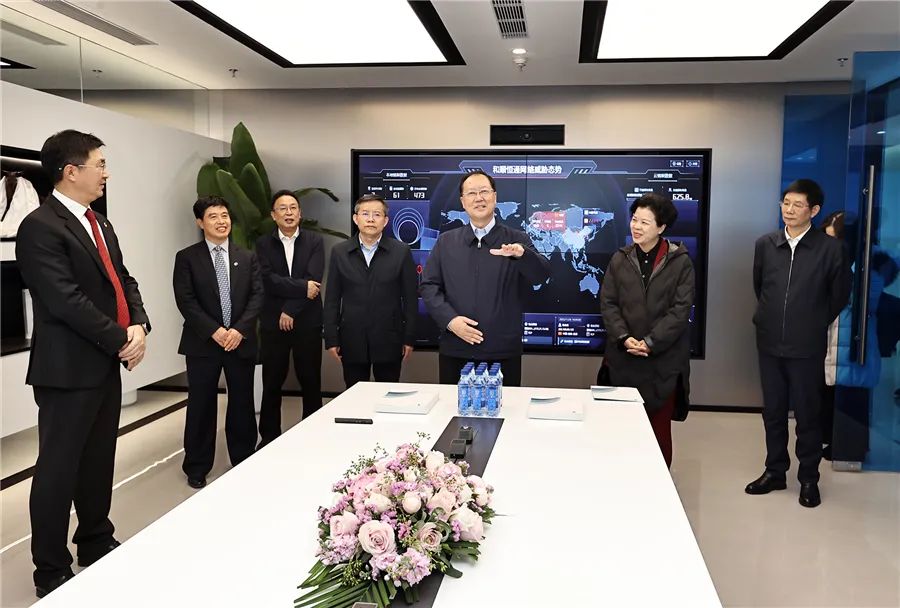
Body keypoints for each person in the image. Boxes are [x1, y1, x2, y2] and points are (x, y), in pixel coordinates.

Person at [16, 130, 150, 598]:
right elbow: (64, 300)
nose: (106, 173)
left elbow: (122, 280)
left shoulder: (100, 223)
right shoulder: (40, 226)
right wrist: (121, 340)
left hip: (102, 363)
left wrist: (139, 324)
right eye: (100, 164)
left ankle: (94, 538)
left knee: (97, 460)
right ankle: (50, 566)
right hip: (67, 370)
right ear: (71, 171)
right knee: (58, 468)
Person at [747, 179, 850, 508]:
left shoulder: (830, 249)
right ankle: (775, 471)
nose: (789, 210)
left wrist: (813, 321)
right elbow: (760, 286)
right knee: (773, 412)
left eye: (797, 205)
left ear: (814, 210)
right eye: (786, 203)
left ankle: (808, 479)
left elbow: (839, 296)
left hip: (806, 345)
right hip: (769, 342)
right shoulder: (766, 244)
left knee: (808, 414)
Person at [420, 170, 550, 386]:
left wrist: (523, 255)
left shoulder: (517, 239)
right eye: (471, 193)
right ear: (463, 202)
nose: (479, 198)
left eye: (484, 192)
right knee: (453, 406)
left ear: (494, 197)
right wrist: (451, 322)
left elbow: (541, 275)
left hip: (503, 352)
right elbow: (429, 286)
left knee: (506, 406)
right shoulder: (446, 242)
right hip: (456, 349)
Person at [173, 196, 263, 488]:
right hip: (203, 344)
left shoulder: (247, 257)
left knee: (242, 402)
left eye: (224, 215)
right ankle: (197, 466)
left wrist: (239, 330)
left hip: (240, 342)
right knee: (201, 405)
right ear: (200, 222)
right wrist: (214, 331)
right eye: (213, 216)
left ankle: (243, 457)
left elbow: (257, 296)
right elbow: (185, 299)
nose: (221, 221)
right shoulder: (187, 258)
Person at [598, 193, 694, 468]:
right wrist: (624, 338)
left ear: (661, 227)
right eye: (635, 219)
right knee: (621, 430)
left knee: (658, 432)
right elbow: (608, 303)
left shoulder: (680, 262)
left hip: (662, 362)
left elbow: (680, 310)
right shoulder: (620, 258)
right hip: (623, 357)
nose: (636, 227)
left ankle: (658, 485)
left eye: (645, 222)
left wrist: (650, 342)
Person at [324, 194, 418, 388]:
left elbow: (410, 299)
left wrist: (409, 338)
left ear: (385, 221)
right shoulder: (340, 252)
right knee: (355, 394)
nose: (370, 219)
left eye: (377, 214)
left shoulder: (401, 251)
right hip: (352, 338)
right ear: (355, 218)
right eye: (365, 214)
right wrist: (331, 338)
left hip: (389, 338)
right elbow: (332, 299)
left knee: (388, 394)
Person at [255, 190, 324, 447]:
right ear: (273, 215)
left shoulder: (314, 241)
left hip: (307, 321)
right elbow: (267, 280)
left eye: (293, 207)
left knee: (311, 380)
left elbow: (314, 280)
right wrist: (300, 288)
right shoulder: (263, 244)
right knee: (272, 381)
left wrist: (290, 310)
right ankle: (269, 437)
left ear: (300, 213)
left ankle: (313, 434)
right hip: (273, 322)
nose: (288, 212)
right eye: (282, 208)